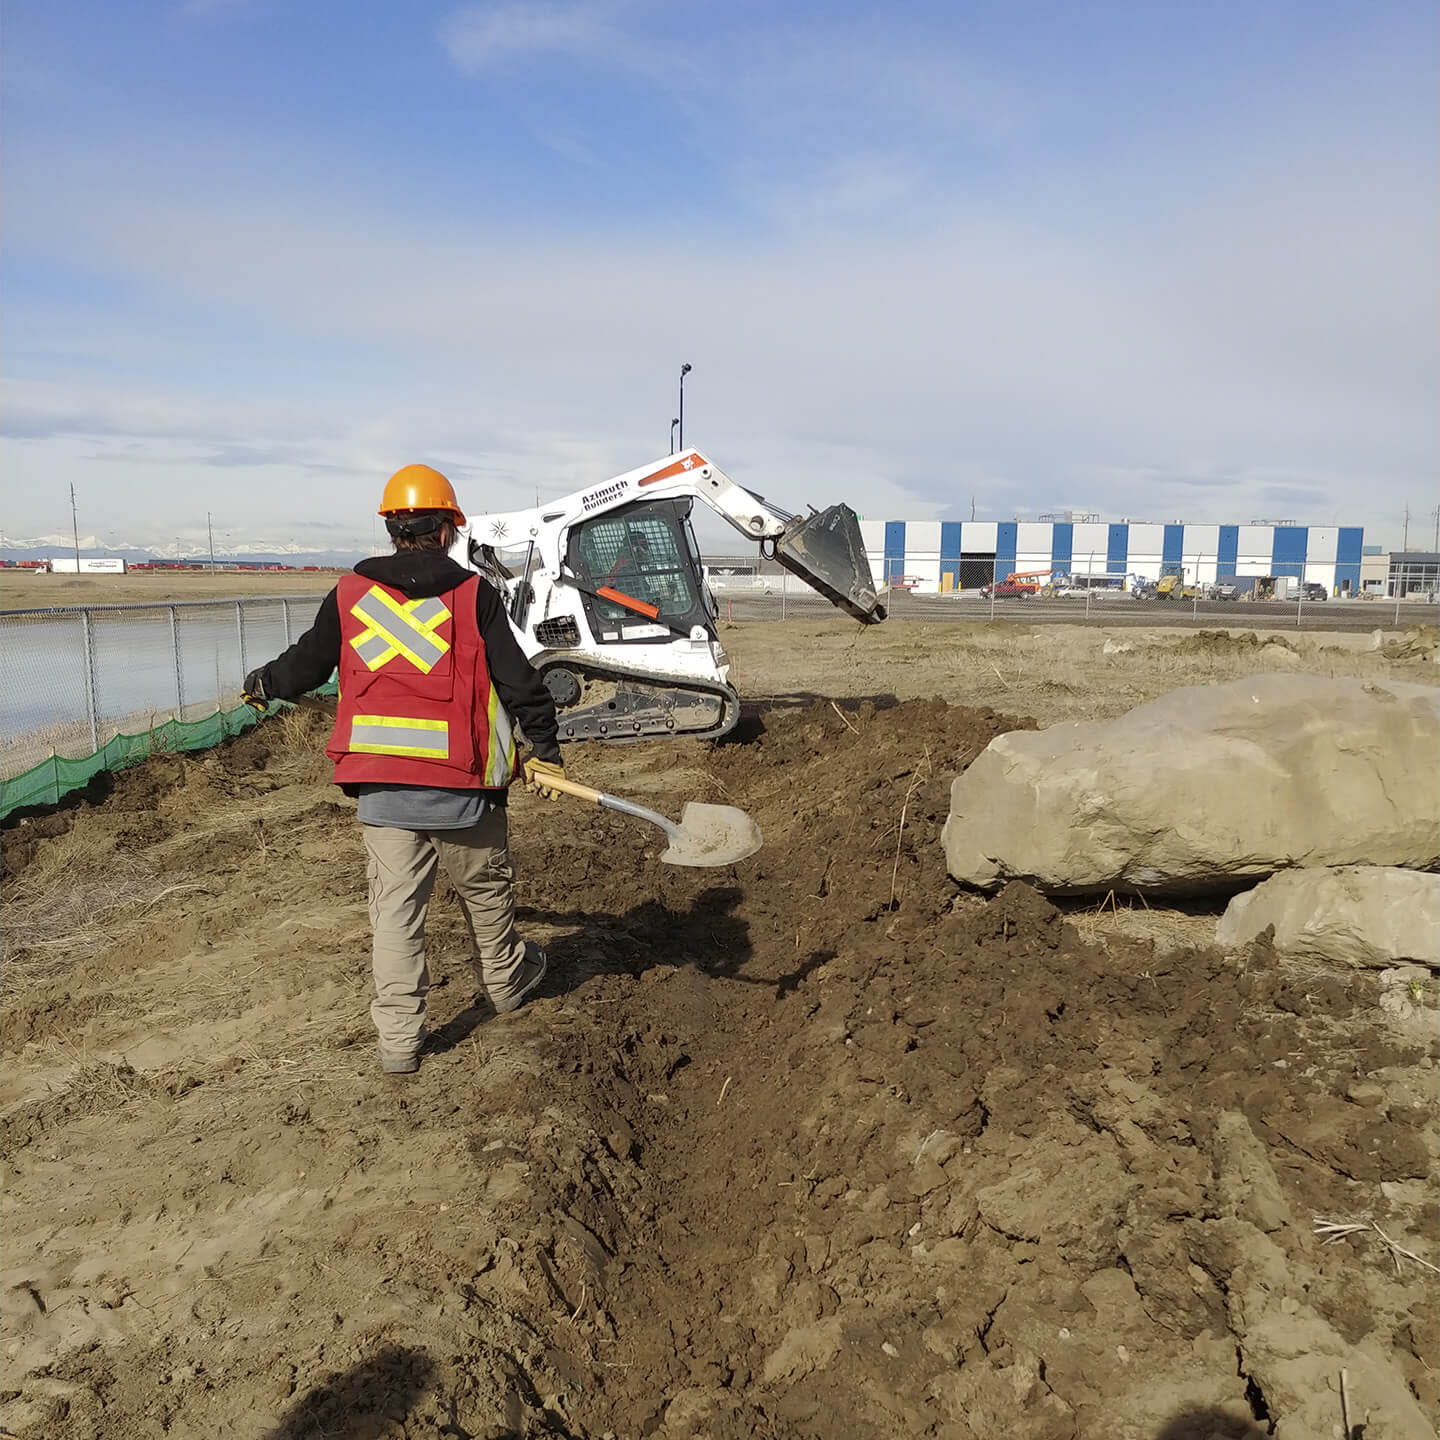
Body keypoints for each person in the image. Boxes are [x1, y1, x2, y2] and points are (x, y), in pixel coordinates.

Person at [241, 463, 567, 1075]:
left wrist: (264, 681)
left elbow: (306, 665)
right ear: (447, 529)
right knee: (487, 895)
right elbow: (518, 681)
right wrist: (543, 747)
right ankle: (506, 984)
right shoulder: (473, 596)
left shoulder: (349, 594)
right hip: (464, 789)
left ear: (393, 527)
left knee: (395, 916)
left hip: (384, 794)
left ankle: (398, 1042)